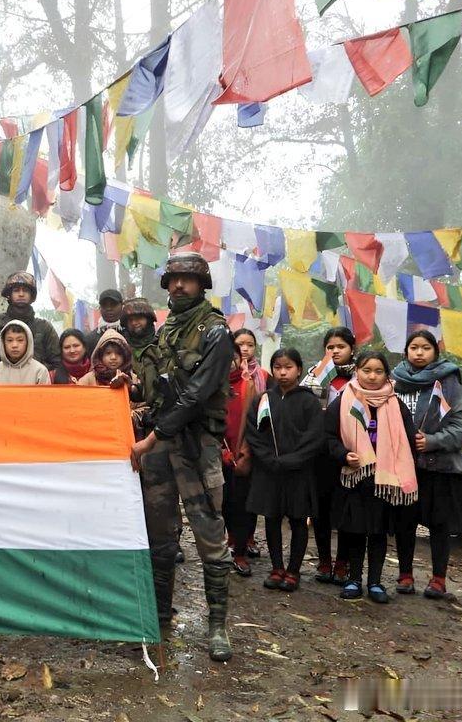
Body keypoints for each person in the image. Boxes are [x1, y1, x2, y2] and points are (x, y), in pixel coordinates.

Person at [130, 252, 234, 662]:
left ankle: (218, 626)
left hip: (195, 446)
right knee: (160, 535)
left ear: (202, 284)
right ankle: (159, 616)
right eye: (173, 279)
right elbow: (158, 392)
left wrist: (153, 435)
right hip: (160, 447)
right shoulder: (168, 330)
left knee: (210, 537)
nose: (178, 286)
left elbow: (196, 396)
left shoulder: (215, 331)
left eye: (187, 280)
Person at [325, 351, 416, 604]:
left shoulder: (395, 405)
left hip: (384, 482)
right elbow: (328, 436)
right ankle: (354, 579)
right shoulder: (344, 400)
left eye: (378, 371)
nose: (372, 376)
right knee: (355, 531)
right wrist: (344, 455)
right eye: (367, 370)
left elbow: (408, 440)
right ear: (357, 372)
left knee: (377, 533)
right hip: (355, 479)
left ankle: (375, 581)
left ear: (387, 374)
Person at [392, 330, 462, 600]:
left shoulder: (448, 381)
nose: (419, 352)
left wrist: (433, 441)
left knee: (439, 524)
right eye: (413, 347)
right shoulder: (393, 380)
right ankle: (405, 575)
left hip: (439, 467)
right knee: (404, 522)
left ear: (435, 352)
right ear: (406, 352)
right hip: (403, 467)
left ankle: (438, 579)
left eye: (425, 348)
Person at [243, 348, 323, 593]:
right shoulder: (263, 399)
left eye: (288, 367)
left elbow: (315, 438)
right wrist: (269, 459)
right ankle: (276, 567)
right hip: (269, 471)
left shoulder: (309, 401)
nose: (282, 372)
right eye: (278, 367)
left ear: (298, 369)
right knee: (271, 518)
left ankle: (294, 570)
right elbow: (253, 433)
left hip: (299, 472)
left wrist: (290, 460)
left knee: (298, 520)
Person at [301, 327, 357, 585]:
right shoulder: (315, 376)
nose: (335, 351)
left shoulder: (362, 376)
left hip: (352, 453)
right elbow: (301, 408)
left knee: (346, 509)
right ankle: (324, 561)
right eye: (330, 347)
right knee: (321, 508)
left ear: (351, 350)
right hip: (320, 454)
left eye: (340, 347)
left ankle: (343, 562)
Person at [231, 329, 270, 563]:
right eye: (240, 345)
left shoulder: (264, 375)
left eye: (250, 345)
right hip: (230, 439)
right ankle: (232, 538)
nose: (245, 349)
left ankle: (249, 538)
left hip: (256, 437)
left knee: (250, 493)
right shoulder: (223, 374)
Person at [0, 272, 60, 370]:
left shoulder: (44, 327)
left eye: (25, 290)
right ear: (9, 295)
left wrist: (37, 370)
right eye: (16, 290)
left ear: (32, 295)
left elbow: (57, 361)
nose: (21, 294)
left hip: (35, 382)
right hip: (3, 380)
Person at [0, 321, 53, 386]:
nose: (14, 345)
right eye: (10, 340)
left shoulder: (40, 371)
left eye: (20, 340)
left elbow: (45, 397)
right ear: (3, 343)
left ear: (28, 342)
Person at [85, 288, 127, 352]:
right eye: (104, 305)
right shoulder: (91, 339)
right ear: (100, 308)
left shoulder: (131, 334)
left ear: (122, 306)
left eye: (113, 304)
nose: (109, 308)